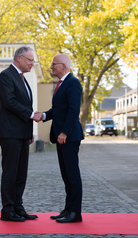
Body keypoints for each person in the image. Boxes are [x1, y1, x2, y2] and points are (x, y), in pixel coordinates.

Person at [0, 46, 42, 222]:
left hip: (21, 133)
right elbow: (9, 102)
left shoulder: (23, 79)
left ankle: (18, 206)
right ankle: (7, 209)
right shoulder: (6, 75)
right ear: (19, 58)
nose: (32, 64)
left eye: (33, 61)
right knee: (10, 172)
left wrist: (29, 131)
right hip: (9, 132)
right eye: (30, 60)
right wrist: (30, 116)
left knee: (21, 172)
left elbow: (25, 105)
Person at [41, 54, 84, 223]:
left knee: (72, 175)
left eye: (54, 64)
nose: (51, 67)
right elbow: (57, 110)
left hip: (69, 137)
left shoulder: (73, 83)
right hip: (62, 137)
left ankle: (75, 213)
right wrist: (43, 115)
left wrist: (64, 132)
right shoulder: (62, 84)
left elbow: (74, 111)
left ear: (64, 66)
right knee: (66, 175)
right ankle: (68, 209)